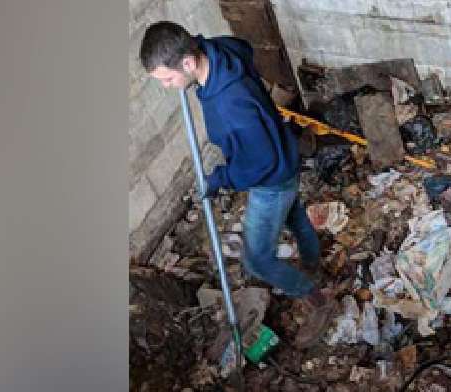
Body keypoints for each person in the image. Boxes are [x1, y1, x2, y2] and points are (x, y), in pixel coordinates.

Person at [139, 21, 331, 343]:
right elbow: (242, 45)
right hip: (287, 154)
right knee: (295, 214)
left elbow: (259, 162)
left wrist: (220, 179)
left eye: (167, 79)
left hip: (271, 178)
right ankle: (313, 262)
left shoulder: (230, 104)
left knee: (257, 259)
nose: (167, 87)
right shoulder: (219, 51)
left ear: (187, 62)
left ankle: (317, 299)